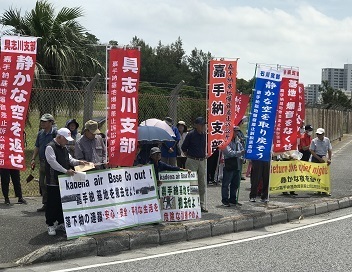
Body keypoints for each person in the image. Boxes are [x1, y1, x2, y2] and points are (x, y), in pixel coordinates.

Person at [45, 128, 87, 236]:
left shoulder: (64, 148)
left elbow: (69, 159)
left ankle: (61, 222)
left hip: (64, 180)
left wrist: (79, 162)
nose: (67, 141)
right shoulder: (50, 147)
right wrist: (65, 171)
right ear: (59, 137)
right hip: (53, 180)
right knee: (52, 203)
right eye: (65, 139)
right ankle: (50, 224)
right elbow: (53, 163)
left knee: (62, 202)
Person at [31, 113, 57, 212]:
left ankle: (52, 204)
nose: (42, 123)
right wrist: (33, 158)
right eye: (41, 121)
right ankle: (46, 204)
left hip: (51, 163)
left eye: (45, 121)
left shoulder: (55, 133)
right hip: (42, 162)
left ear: (51, 122)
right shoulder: (40, 133)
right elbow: (37, 146)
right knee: (42, 183)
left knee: (49, 183)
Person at [181, 116, 207, 212]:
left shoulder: (205, 135)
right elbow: (184, 148)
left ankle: (201, 204)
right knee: (192, 183)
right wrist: (190, 157)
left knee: (202, 183)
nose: (203, 126)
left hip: (202, 160)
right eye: (201, 124)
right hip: (192, 160)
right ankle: (193, 203)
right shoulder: (190, 134)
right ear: (196, 125)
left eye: (203, 124)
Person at [221, 126, 245, 207]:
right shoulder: (225, 141)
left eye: (237, 131)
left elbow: (242, 152)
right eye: (235, 131)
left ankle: (233, 199)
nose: (237, 133)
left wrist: (243, 158)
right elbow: (229, 153)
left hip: (237, 165)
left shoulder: (238, 142)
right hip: (229, 165)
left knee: (235, 184)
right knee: (226, 183)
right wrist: (240, 153)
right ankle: (225, 199)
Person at [309, 127, 332, 196]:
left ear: (323, 134)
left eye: (320, 134)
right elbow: (312, 150)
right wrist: (318, 158)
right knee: (316, 175)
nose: (319, 135)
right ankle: (317, 190)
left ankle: (324, 190)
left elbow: (329, 149)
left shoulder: (327, 140)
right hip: (316, 157)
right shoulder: (314, 141)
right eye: (317, 134)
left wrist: (329, 159)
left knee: (324, 175)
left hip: (324, 157)